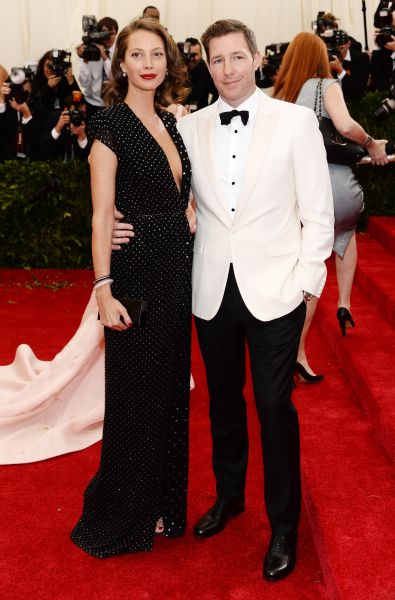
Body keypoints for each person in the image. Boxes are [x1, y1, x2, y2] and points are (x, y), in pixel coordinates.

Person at [114, 19, 334, 580]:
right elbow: (165, 198)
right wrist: (120, 224)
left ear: (257, 59)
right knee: (223, 402)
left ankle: (284, 526)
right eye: (218, 60)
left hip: (277, 288)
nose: (229, 69)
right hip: (210, 286)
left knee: (273, 405)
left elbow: (318, 211)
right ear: (205, 66)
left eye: (238, 57)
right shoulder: (189, 127)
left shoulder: (296, 122)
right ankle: (230, 497)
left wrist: (306, 283)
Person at [70, 17, 195, 557]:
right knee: (135, 397)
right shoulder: (111, 125)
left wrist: (186, 215)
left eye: (157, 54)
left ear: (168, 63)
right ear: (121, 64)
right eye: (137, 55)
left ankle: (164, 505)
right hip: (136, 273)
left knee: (169, 390)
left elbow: (180, 194)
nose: (148, 63)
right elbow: (101, 215)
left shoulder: (171, 121)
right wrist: (103, 287)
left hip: (177, 273)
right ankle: (124, 512)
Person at [273, 32, 388, 380]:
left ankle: (340, 307)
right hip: (331, 185)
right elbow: (344, 125)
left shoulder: (281, 95)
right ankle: (301, 347)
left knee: (316, 254)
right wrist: (371, 143)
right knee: (338, 241)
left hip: (291, 190)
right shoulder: (326, 85)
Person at [76, 17, 118, 121]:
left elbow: (115, 79)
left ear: (116, 33)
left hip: (113, 105)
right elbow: (84, 83)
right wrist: (84, 58)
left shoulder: (120, 52)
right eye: (104, 33)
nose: (108, 37)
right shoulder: (91, 51)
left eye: (111, 33)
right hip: (92, 104)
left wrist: (105, 58)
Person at [39, 93, 89, 160]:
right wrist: (58, 128)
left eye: (82, 113)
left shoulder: (87, 123)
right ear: (66, 110)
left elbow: (88, 158)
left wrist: (82, 136)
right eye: (74, 112)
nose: (78, 116)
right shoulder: (54, 118)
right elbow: (43, 151)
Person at [326, 29, 370, 101]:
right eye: (335, 49)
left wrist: (340, 70)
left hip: (354, 104)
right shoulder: (327, 58)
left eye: (341, 48)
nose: (339, 51)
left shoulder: (361, 58)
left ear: (348, 44)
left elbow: (358, 90)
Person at [183, 37, 218, 111]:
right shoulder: (176, 69)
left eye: (194, 55)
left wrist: (210, 110)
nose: (190, 58)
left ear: (201, 54)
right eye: (188, 55)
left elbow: (217, 93)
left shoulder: (207, 70)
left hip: (201, 116)